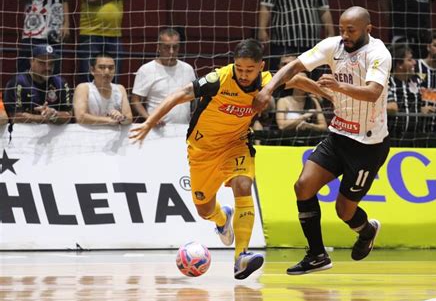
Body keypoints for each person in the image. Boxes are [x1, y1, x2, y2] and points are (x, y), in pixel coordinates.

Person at [129, 39, 321, 279]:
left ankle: (241, 257)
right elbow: (180, 94)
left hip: (236, 143)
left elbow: (296, 79)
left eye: (249, 70)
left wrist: (329, 94)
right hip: (202, 150)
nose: (243, 74)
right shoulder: (218, 79)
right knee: (204, 209)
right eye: (239, 68)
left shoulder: (265, 81)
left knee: (243, 185)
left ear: (260, 66)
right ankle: (222, 218)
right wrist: (148, 122)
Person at [254, 6, 392, 275]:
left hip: (367, 145)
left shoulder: (378, 54)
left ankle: (367, 231)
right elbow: (296, 66)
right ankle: (317, 255)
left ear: (368, 29)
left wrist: (338, 87)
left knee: (344, 211)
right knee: (303, 186)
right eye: (341, 29)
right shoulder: (333, 46)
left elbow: (373, 93)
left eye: (351, 30)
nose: (345, 35)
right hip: (338, 134)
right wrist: (268, 88)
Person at [131, 28, 196, 124]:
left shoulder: (188, 69)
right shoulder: (146, 70)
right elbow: (135, 101)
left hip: (183, 129)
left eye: (175, 47)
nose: (171, 51)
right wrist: (149, 118)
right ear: (158, 47)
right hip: (157, 130)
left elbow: (195, 98)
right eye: (166, 47)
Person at [258, 0, 334, 73]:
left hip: (312, 42)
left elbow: (324, 10)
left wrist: (331, 33)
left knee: (312, 78)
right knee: (282, 78)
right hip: (283, 42)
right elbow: (266, 6)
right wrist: (262, 29)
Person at [4, 44, 72, 124]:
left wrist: (54, 114)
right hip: (23, 134)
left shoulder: (61, 83)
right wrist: (44, 118)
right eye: (42, 63)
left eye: (51, 63)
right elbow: (16, 117)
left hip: (54, 135)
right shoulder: (18, 83)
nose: (48, 68)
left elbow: (69, 114)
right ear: (31, 61)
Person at [387, 45, 436, 138]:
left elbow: (434, 100)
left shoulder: (418, 81)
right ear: (399, 65)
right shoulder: (387, 83)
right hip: (392, 137)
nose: (415, 62)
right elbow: (392, 108)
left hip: (416, 138)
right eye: (410, 60)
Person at [17, 0, 71, 73]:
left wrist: (66, 24)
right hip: (33, 28)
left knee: (53, 69)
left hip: (55, 29)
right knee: (25, 68)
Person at [73, 54, 132, 125]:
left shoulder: (120, 88)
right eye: (102, 67)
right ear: (92, 70)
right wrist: (108, 120)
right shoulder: (83, 88)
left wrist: (121, 118)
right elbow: (80, 117)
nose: (107, 72)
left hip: (114, 134)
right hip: (88, 134)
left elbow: (129, 118)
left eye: (111, 68)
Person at [77, 0, 124, 84]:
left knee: (114, 75)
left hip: (114, 34)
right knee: (88, 74)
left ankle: (111, 97)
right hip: (91, 33)